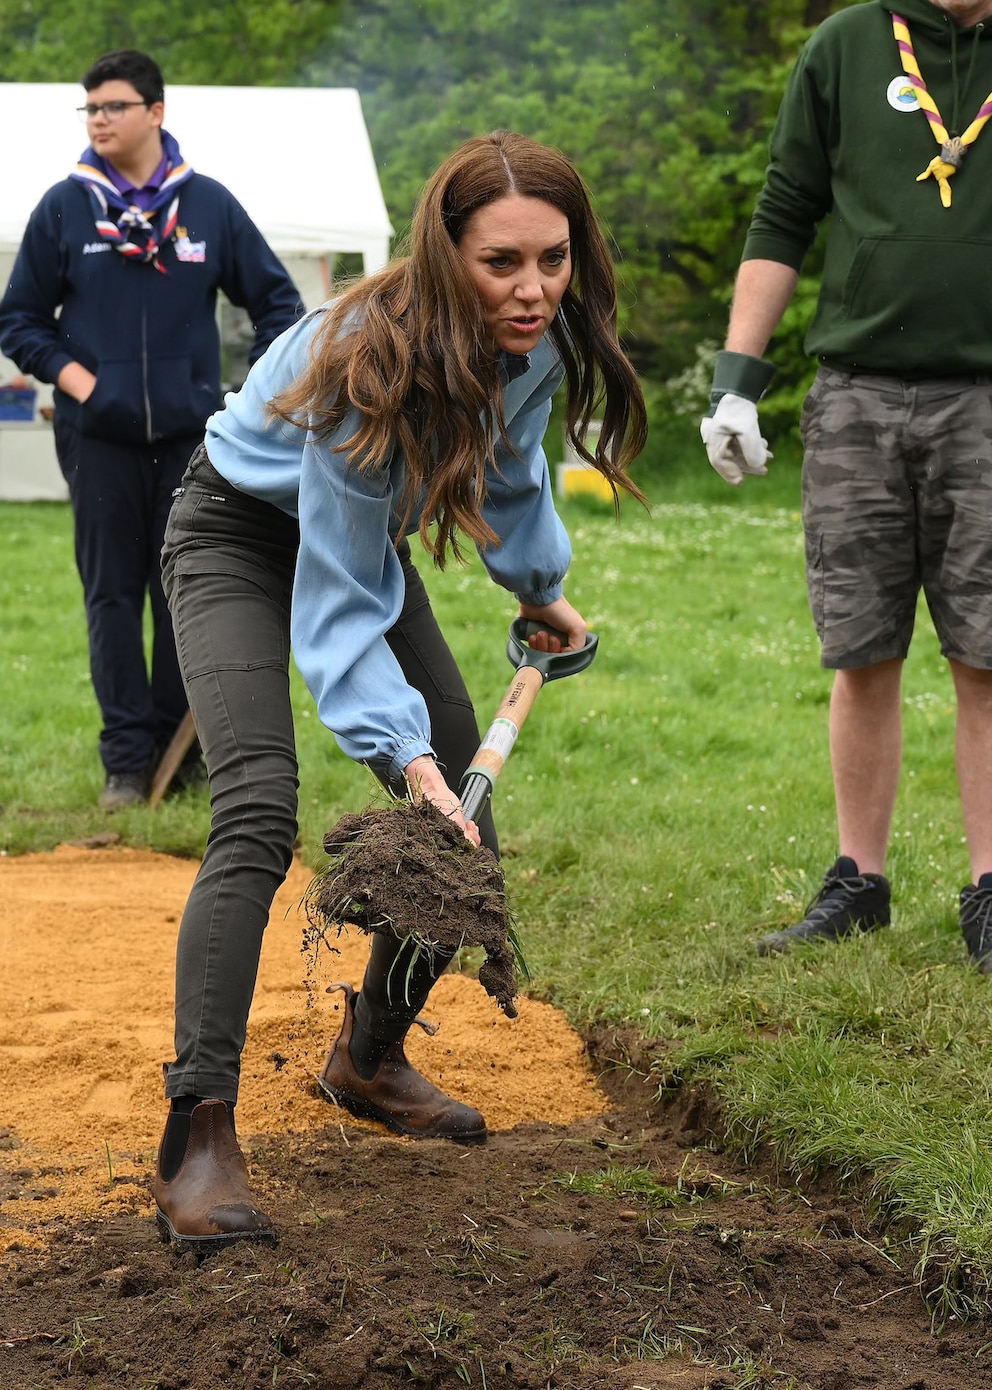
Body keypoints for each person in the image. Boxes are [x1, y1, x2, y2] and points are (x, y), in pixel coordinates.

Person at [150, 129, 647, 1250]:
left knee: (461, 823)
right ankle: (198, 1132)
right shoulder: (364, 357)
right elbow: (334, 606)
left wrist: (540, 588)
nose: (531, 291)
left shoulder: (541, 341)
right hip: (239, 528)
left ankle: (367, 1056)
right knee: (258, 808)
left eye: (553, 260)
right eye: (500, 263)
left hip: (358, 536)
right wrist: (404, 755)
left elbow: (512, 472)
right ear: (441, 252)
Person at [699, 0, 992, 965]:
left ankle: (991, 892)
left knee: (987, 657)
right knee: (861, 651)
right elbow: (785, 209)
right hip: (856, 396)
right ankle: (858, 882)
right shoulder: (845, 44)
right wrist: (736, 385)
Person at [0, 49, 303, 810]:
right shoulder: (67, 207)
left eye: (112, 106)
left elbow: (281, 308)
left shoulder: (207, 206)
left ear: (155, 113)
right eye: (90, 109)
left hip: (191, 443)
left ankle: (185, 754)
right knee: (111, 597)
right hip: (96, 439)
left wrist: (238, 397)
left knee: (186, 595)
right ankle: (127, 765)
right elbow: (21, 319)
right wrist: (83, 384)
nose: (98, 120)